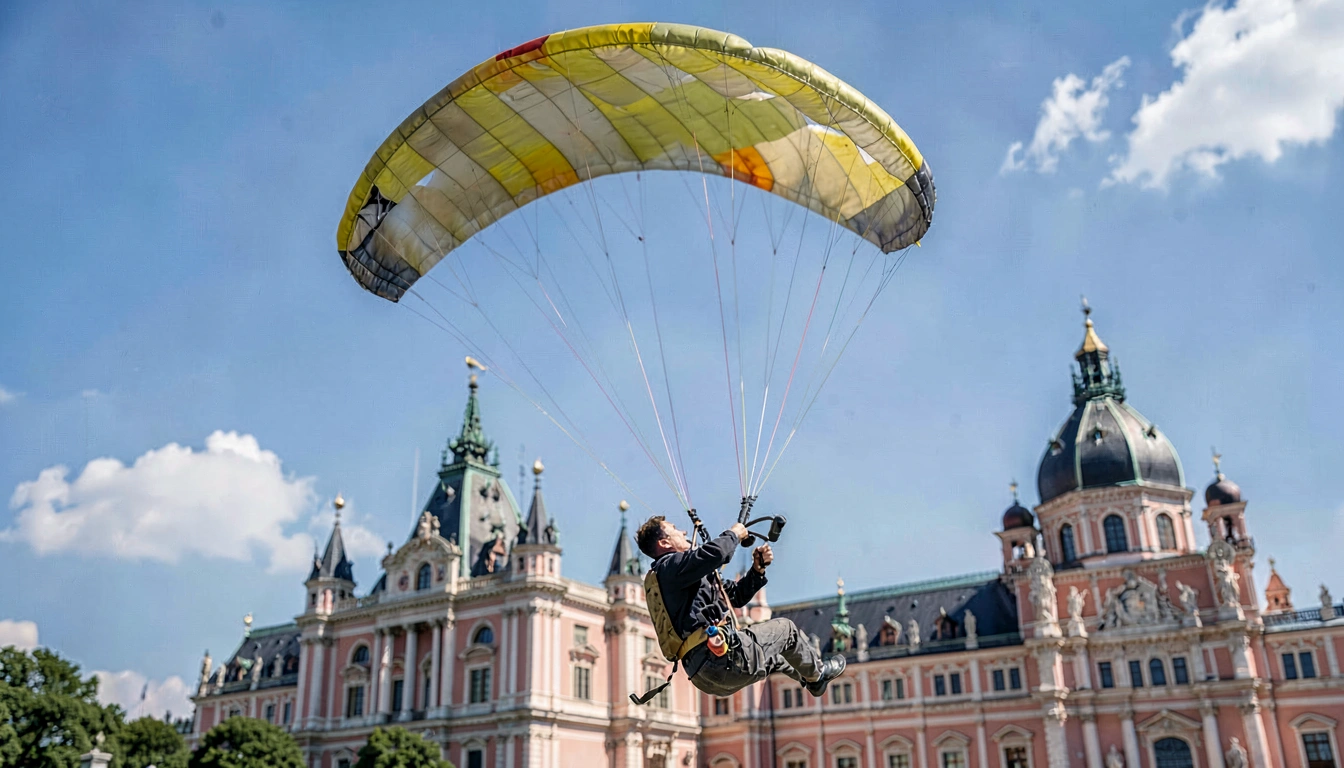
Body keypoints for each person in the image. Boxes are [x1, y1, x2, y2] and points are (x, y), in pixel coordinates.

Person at [635, 514, 846, 698]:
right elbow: (715, 554)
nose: (683, 531)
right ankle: (817, 675)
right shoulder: (669, 566)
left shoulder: (680, 575)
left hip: (705, 675)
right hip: (719, 659)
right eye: (675, 530)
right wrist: (734, 533)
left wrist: (757, 570)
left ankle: (811, 681)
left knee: (778, 654)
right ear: (664, 543)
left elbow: (735, 596)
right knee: (786, 630)